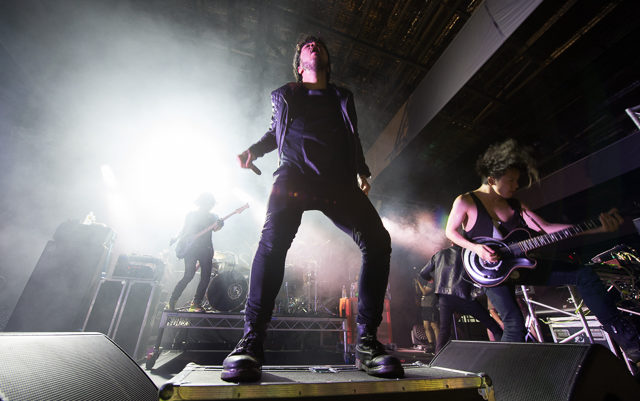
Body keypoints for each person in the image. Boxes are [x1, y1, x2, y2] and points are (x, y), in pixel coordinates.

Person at [221, 34, 403, 382]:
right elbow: (275, 132)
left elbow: (352, 136)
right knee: (272, 245)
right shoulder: (286, 94)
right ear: (299, 63)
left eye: (319, 45)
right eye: (306, 46)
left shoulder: (342, 96)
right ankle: (251, 341)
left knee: (379, 242)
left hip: (338, 182)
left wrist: (362, 170)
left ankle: (367, 342)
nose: (313, 45)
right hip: (294, 176)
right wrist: (253, 151)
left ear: (327, 61)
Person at [444, 138, 640, 363]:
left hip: (520, 263)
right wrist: (476, 248)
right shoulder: (466, 201)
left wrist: (596, 228)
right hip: (490, 272)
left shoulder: (515, 204)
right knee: (514, 324)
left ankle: (631, 343)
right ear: (491, 179)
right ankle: (504, 373)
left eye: (517, 180)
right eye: (511, 180)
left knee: (583, 274)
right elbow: (450, 232)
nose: (516, 186)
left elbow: (546, 228)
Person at [420, 245, 503, 353]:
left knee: (444, 329)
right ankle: (505, 350)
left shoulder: (439, 254)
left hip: (444, 296)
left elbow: (423, 273)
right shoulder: (469, 253)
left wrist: (430, 278)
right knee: (491, 324)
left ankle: (438, 356)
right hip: (463, 293)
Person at [168, 192, 223, 312]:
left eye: (210, 203)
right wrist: (176, 238)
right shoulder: (191, 215)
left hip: (206, 249)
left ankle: (196, 303)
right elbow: (184, 229)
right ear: (200, 203)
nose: (208, 205)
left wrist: (220, 225)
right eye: (206, 203)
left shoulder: (213, 216)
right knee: (188, 275)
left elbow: (216, 228)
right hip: (191, 249)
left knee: (205, 277)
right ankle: (172, 301)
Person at [414, 276, 439, 352]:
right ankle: (431, 345)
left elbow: (425, 292)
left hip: (431, 306)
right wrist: (417, 284)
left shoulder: (431, 281)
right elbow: (419, 292)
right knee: (426, 326)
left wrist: (419, 282)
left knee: (434, 326)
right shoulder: (424, 283)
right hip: (424, 306)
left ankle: (439, 344)